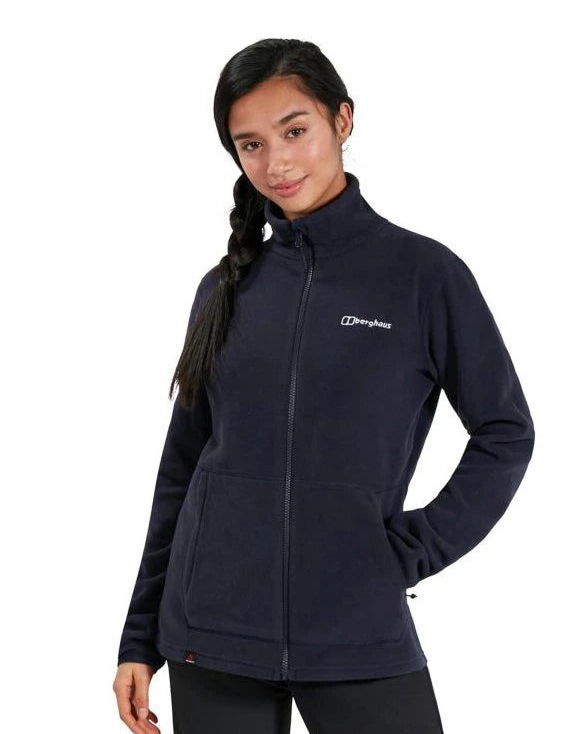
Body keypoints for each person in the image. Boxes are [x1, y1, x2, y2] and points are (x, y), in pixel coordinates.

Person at [112, 38, 535, 733]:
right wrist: (138, 638)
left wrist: (411, 549)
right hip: (209, 635)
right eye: (250, 145)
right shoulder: (224, 289)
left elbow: (506, 432)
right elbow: (181, 469)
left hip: (356, 626)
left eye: (294, 131)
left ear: (343, 119)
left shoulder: (424, 277)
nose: (275, 163)